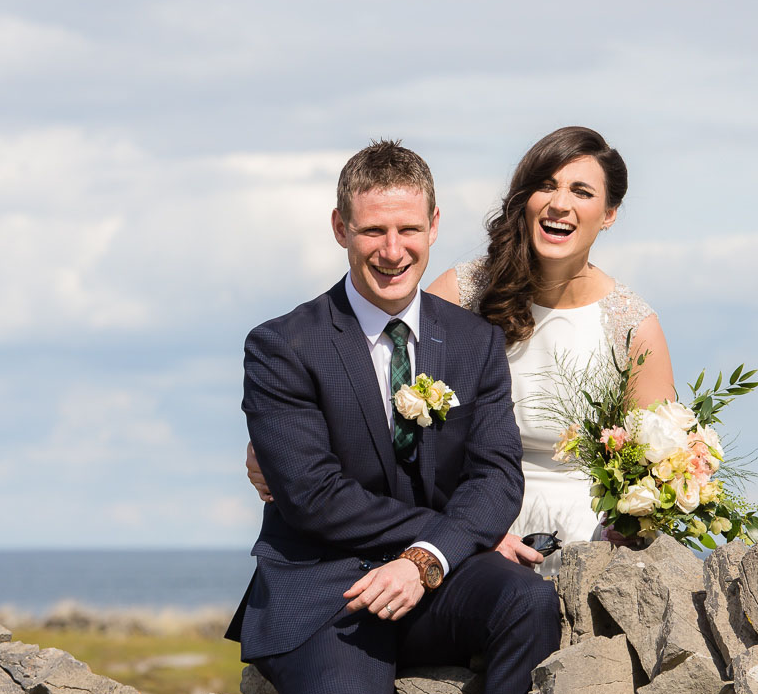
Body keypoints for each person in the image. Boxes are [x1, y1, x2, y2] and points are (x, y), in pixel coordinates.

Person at [227, 140, 560, 694]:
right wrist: (448, 537)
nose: (391, 250)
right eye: (372, 231)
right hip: (329, 596)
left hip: (437, 581)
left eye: (408, 229)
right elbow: (312, 496)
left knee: (526, 600)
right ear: (340, 228)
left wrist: (428, 559)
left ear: (434, 226)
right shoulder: (282, 345)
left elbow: (497, 473)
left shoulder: (473, 342)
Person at [247, 127, 674, 572]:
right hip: (465, 526)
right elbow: (367, 376)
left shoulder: (632, 326)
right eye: (546, 185)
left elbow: (659, 464)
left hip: (587, 536)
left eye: (581, 191)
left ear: (609, 214)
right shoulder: (463, 292)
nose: (560, 203)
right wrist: (273, 447)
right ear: (523, 198)